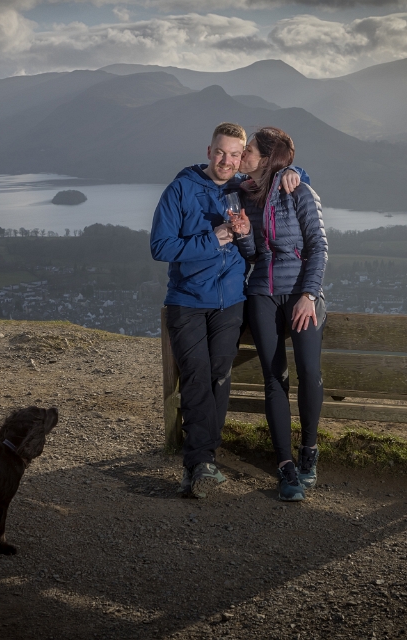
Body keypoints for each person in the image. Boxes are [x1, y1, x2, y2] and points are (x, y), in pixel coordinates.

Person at [151, 122, 303, 499]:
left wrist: (295, 171)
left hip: (232, 301)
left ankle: (203, 461)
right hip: (187, 300)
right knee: (197, 376)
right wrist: (213, 239)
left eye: (235, 154)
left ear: (242, 157)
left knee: (219, 375)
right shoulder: (180, 189)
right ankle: (199, 462)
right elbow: (160, 246)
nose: (227, 160)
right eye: (220, 152)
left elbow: (282, 175)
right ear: (208, 151)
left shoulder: (243, 188)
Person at [229, 126, 327, 502]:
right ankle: (285, 465)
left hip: (301, 294)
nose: (243, 155)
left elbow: (318, 246)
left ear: (268, 159)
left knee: (309, 372)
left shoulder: (298, 191)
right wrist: (242, 235)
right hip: (262, 293)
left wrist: (309, 295)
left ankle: (309, 450)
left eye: (249, 150)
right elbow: (255, 255)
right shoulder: (245, 194)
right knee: (273, 378)